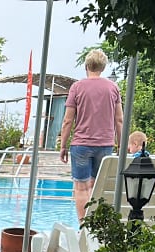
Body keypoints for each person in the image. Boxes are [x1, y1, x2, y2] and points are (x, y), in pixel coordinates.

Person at [57, 49, 124, 223]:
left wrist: (63, 145)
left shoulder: (77, 87)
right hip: (105, 145)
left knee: (81, 188)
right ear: (103, 67)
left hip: (81, 145)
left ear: (86, 66)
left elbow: (67, 120)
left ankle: (83, 226)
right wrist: (120, 145)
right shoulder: (113, 88)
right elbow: (119, 120)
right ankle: (95, 225)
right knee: (97, 187)